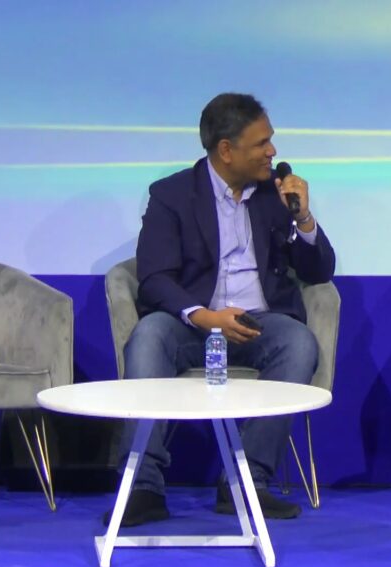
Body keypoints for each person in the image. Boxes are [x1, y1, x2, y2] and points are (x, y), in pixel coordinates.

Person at [109, 92, 336, 527]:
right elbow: (154, 278)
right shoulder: (173, 195)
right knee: (149, 335)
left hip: (258, 322)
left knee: (298, 343)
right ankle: (143, 486)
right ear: (226, 150)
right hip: (194, 323)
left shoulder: (275, 195)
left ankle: (244, 483)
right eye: (262, 143)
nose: (273, 152)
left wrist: (304, 219)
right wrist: (205, 316)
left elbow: (319, 271)